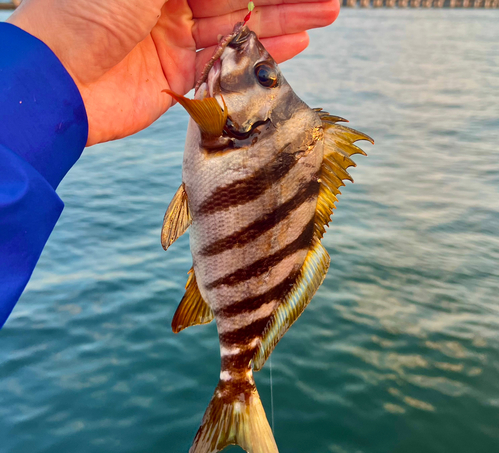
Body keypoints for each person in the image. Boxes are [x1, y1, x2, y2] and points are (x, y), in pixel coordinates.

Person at [0, 0, 339, 328]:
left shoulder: (229, 125)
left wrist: (44, 68)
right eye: (266, 74)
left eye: (264, 75)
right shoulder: (238, 127)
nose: (260, 61)